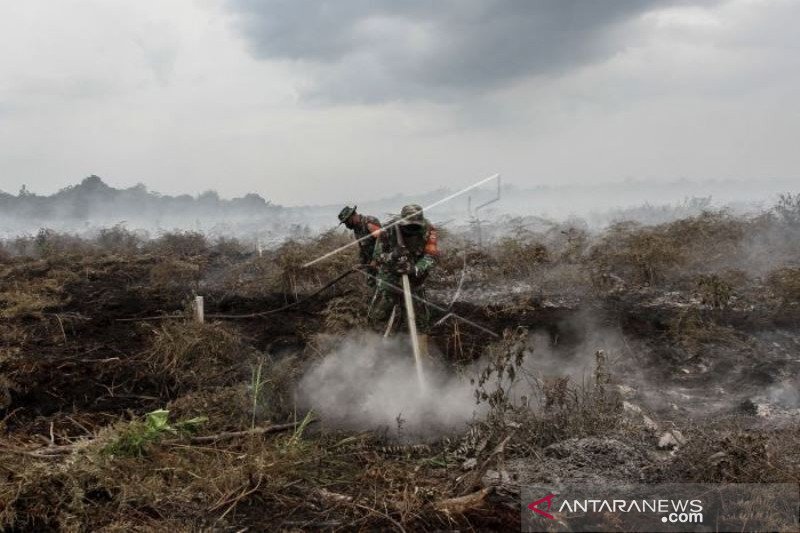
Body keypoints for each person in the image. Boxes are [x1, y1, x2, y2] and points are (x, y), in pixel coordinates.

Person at [371, 204, 438, 355]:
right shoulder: (388, 229)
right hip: (390, 277)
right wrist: (393, 257)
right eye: (409, 226)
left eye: (416, 226)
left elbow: (431, 256)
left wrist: (416, 268)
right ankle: (373, 353)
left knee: (421, 319)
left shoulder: (429, 230)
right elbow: (377, 256)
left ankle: (422, 355)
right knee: (378, 315)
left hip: (415, 278)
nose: (412, 229)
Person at [337, 205, 384, 283]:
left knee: (384, 288)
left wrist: (376, 259)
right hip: (371, 264)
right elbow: (363, 248)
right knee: (371, 283)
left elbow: (382, 240)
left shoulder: (369, 222)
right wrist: (360, 263)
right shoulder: (357, 229)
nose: (347, 225)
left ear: (353, 216)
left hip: (382, 261)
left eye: (347, 221)